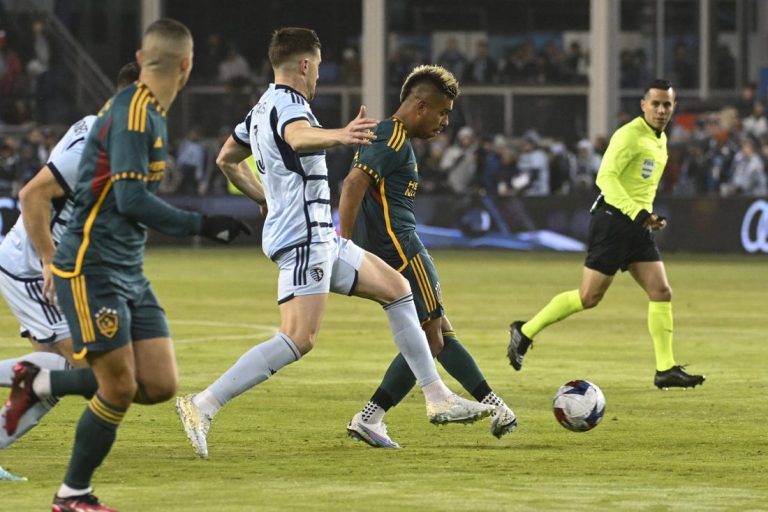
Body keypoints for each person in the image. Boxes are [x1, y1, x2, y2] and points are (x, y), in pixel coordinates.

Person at [175, 27, 494, 460]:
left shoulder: (259, 109)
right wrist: (341, 134)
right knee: (299, 338)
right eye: (319, 66)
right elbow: (297, 137)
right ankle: (203, 404)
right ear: (305, 64)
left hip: (321, 235)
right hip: (304, 238)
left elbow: (226, 159)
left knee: (399, 289)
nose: (319, 75)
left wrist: (264, 198)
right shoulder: (290, 105)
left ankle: (437, 397)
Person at [2, 19, 250, 511]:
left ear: (142, 59)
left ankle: (39, 381)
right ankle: (73, 494)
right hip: (85, 264)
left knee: (158, 384)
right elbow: (123, 199)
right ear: (187, 65)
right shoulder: (130, 118)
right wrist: (201, 224)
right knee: (111, 381)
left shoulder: (146, 116)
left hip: (126, 267)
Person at [339, 65, 517, 448]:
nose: (445, 122)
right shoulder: (392, 137)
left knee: (439, 331)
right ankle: (376, 415)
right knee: (430, 339)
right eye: (442, 112)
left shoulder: (391, 136)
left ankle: (497, 407)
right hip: (403, 253)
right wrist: (344, 244)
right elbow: (353, 184)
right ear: (420, 106)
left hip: (389, 252)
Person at [507, 79, 705, 390]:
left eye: (666, 104)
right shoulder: (628, 135)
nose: (661, 110)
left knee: (661, 291)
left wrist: (647, 217)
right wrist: (639, 213)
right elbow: (606, 179)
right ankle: (525, 331)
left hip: (637, 225)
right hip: (613, 222)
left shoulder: (660, 139)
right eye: (655, 104)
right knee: (589, 297)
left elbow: (639, 186)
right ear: (643, 105)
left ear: (673, 107)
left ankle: (665, 369)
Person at [0, 62, 140, 482]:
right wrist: (50, 260)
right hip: (32, 267)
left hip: (38, 264)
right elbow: (32, 195)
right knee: (87, 369)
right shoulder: (96, 142)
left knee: (51, 377)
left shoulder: (101, 130)